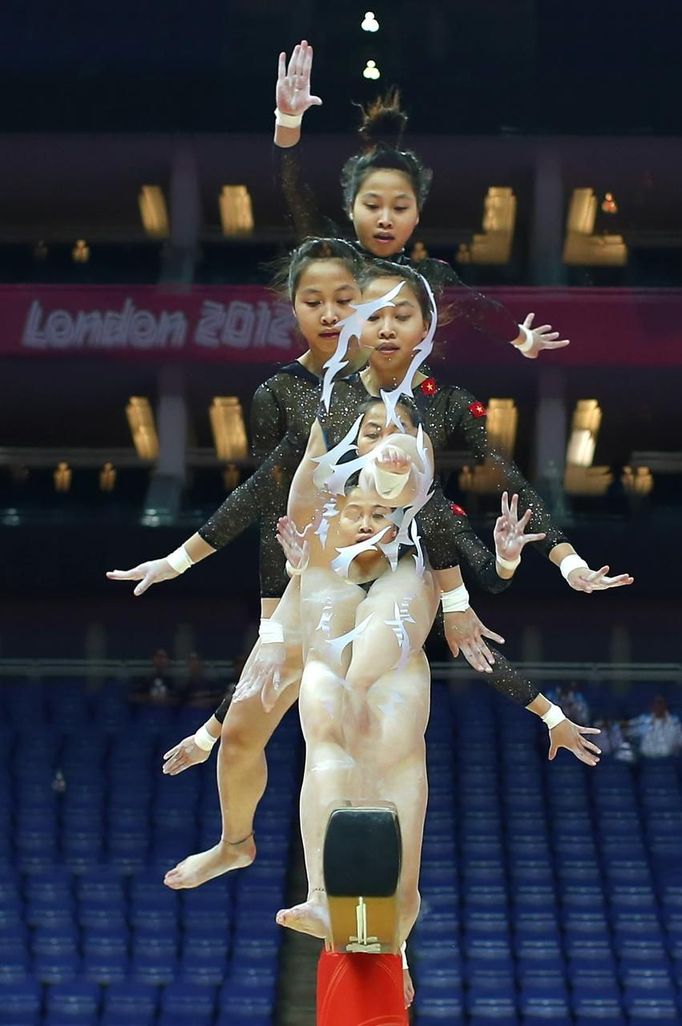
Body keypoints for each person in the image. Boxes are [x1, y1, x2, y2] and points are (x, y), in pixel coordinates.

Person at [273, 40, 569, 359]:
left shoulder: (430, 275)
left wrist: (523, 339)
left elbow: (482, 309)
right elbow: (292, 187)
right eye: (372, 205)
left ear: (416, 216)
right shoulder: (331, 256)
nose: (385, 218)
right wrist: (288, 121)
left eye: (399, 208)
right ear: (350, 208)